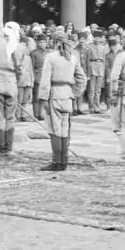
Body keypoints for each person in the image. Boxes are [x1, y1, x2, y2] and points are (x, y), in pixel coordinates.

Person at [40, 29, 87, 171]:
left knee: (55, 129)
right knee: (64, 129)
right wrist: (76, 92)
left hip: (54, 93)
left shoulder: (51, 57)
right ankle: (64, 161)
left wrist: (43, 98)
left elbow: (45, 80)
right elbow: (82, 79)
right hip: (68, 94)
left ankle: (57, 162)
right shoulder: (73, 57)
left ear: (54, 41)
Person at [0, 22, 26, 155]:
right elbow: (20, 68)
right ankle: (9, 148)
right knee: (10, 117)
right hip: (12, 81)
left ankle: (1, 147)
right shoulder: (20, 47)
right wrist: (17, 81)